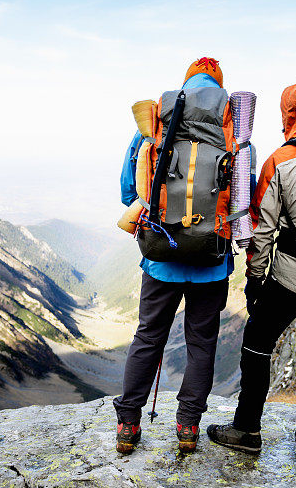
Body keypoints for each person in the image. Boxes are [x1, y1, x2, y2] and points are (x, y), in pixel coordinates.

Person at [206, 76, 296, 465]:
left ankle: (247, 430)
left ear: (292, 113)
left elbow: (262, 228)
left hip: (288, 277)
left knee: (257, 347)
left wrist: (255, 280)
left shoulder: (282, 159)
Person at [114, 57, 234, 454]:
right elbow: (243, 200)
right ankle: (187, 429)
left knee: (149, 337)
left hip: (161, 257)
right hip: (211, 262)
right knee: (201, 343)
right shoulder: (232, 132)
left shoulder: (155, 126)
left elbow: (130, 193)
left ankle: (129, 425)